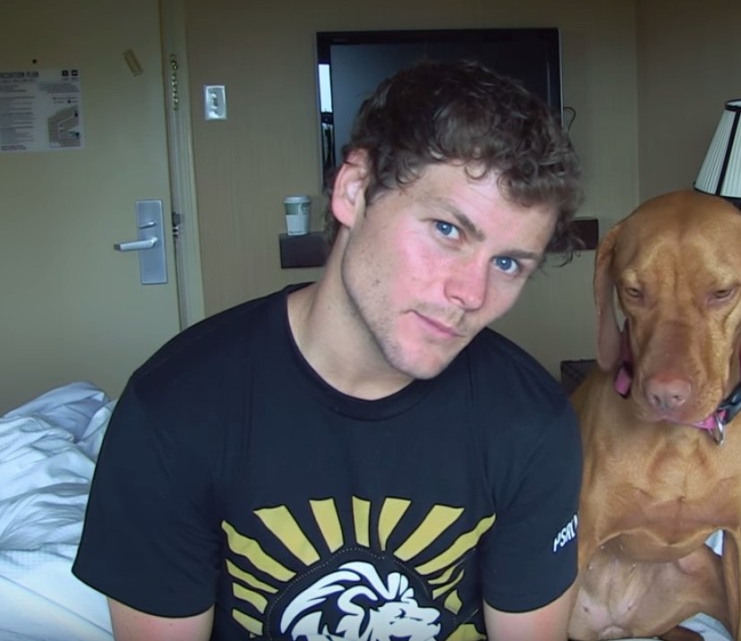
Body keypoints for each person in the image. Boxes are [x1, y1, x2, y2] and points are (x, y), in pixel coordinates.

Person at [73, 60, 585, 641]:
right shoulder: (175, 408)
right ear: (354, 189)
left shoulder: (532, 424)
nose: (470, 294)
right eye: (447, 230)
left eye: (508, 263)